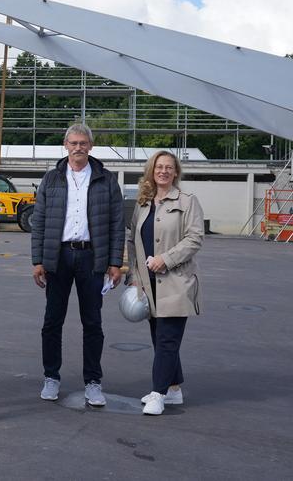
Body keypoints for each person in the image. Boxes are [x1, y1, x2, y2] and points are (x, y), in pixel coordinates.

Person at [31, 123, 124, 407]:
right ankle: (51, 377)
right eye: (73, 143)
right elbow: (40, 222)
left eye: (83, 143)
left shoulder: (106, 180)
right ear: (65, 145)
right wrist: (38, 260)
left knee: (93, 322)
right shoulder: (52, 179)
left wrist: (115, 262)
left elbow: (117, 224)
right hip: (57, 257)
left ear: (91, 146)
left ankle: (93, 382)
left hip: (91, 257)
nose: (78, 148)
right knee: (52, 321)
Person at [126, 150, 204, 416]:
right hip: (148, 284)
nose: (163, 171)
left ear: (176, 172)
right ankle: (172, 389)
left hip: (175, 282)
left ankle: (157, 393)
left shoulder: (188, 201)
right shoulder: (143, 203)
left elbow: (194, 239)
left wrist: (165, 259)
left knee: (168, 339)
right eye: (159, 167)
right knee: (159, 339)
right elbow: (132, 240)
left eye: (169, 167)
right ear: (152, 170)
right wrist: (135, 276)